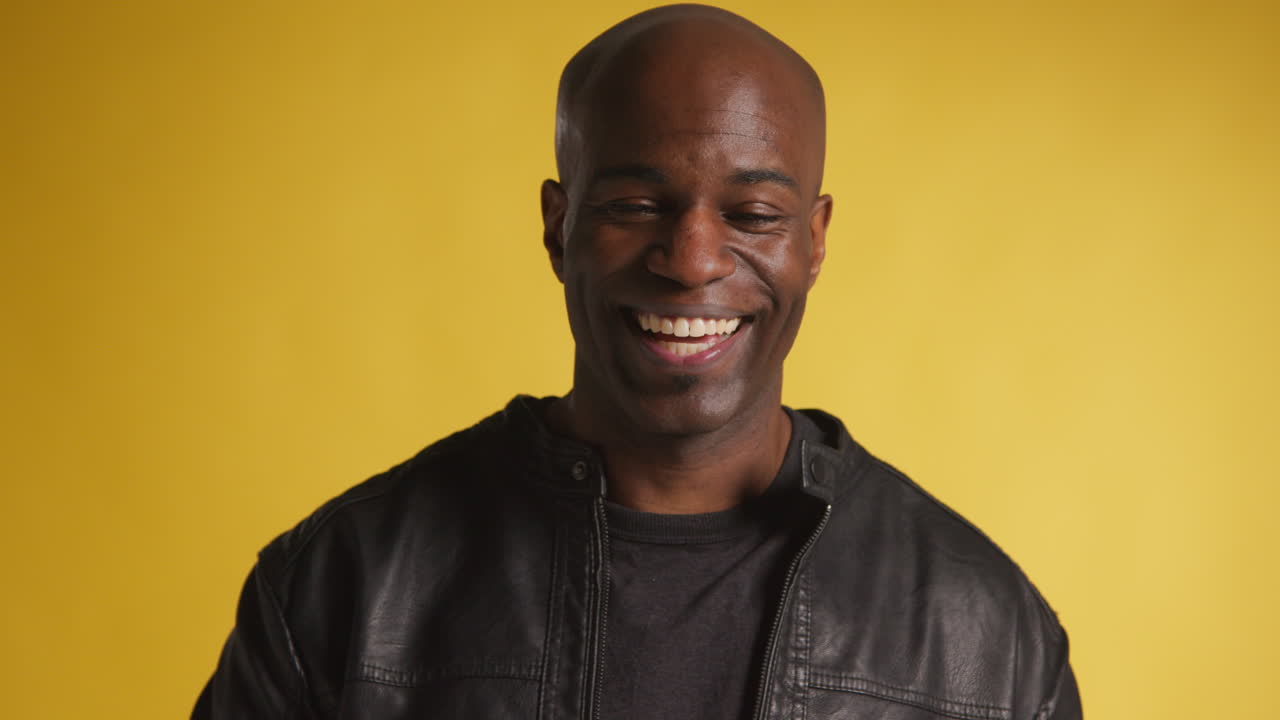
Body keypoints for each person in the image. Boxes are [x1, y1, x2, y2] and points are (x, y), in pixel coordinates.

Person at [194, 4, 1082, 719]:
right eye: (635, 203)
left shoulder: (988, 638)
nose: (691, 259)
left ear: (814, 242)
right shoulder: (344, 585)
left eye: (753, 216)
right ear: (557, 226)